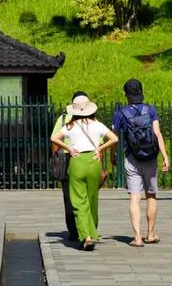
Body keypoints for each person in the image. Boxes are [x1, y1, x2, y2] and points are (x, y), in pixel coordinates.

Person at [51, 97, 118, 250]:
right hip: (93, 162)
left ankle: (86, 236)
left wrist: (68, 149)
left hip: (77, 162)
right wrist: (100, 149)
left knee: (78, 201)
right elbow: (114, 138)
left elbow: (53, 138)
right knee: (92, 198)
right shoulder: (97, 124)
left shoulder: (70, 125)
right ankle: (92, 231)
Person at [112, 78, 169, 247]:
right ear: (141, 92)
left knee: (135, 198)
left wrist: (112, 155)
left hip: (132, 158)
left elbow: (114, 137)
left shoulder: (121, 113)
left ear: (126, 94)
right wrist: (165, 156)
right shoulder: (150, 110)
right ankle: (150, 234)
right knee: (151, 195)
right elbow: (157, 133)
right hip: (151, 158)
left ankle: (137, 237)